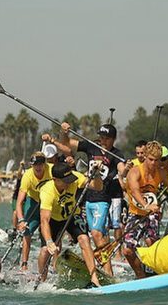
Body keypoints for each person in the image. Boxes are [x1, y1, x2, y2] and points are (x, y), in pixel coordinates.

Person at [52, 122, 125, 276]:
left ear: (113, 139)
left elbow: (121, 169)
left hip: (102, 199)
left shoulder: (117, 154)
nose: (102, 140)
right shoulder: (91, 146)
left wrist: (125, 170)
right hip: (87, 199)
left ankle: (108, 272)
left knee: (97, 234)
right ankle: (95, 267)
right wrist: (64, 132)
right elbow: (66, 143)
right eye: (101, 137)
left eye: (106, 138)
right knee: (91, 236)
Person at [38, 162, 103, 286]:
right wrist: (49, 241)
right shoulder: (47, 191)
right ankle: (42, 280)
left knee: (84, 239)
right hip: (53, 220)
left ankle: (94, 278)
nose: (69, 183)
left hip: (71, 215)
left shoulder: (74, 179)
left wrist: (97, 174)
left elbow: (98, 187)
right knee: (45, 250)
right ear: (55, 179)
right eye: (65, 181)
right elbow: (44, 220)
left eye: (70, 179)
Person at [122, 141, 168, 279]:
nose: (153, 163)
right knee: (127, 251)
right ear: (145, 156)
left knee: (152, 244)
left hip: (152, 215)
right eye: (151, 159)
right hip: (136, 214)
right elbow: (134, 191)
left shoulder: (160, 172)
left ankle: (156, 273)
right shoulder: (135, 172)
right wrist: (146, 206)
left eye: (157, 160)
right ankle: (141, 275)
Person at [14, 152, 53, 271]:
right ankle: (24, 264)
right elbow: (19, 202)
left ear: (45, 164)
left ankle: (53, 264)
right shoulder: (28, 176)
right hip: (33, 201)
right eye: (35, 165)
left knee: (50, 232)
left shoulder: (52, 170)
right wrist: (21, 220)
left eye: (40, 164)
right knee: (27, 231)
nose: (38, 167)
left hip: (49, 202)